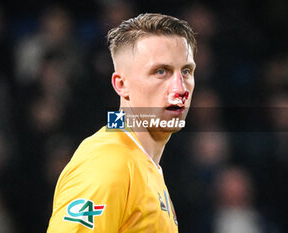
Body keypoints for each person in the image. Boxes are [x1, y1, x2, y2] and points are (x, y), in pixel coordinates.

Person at [47, 13, 196, 232]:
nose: (180, 89)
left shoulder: (141, 163)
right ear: (121, 85)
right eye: (161, 71)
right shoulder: (108, 162)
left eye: (186, 71)